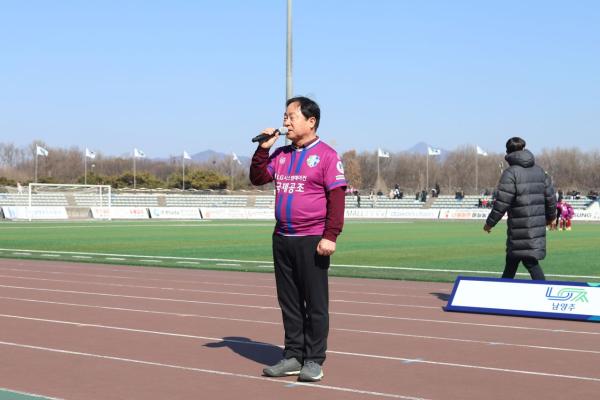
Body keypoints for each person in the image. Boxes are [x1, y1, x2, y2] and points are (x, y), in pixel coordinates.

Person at [249, 96, 346, 382]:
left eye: (291, 116)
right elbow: (257, 178)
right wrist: (262, 150)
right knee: (289, 301)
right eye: (285, 116)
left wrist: (330, 236)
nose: (285, 122)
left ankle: (314, 359)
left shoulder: (327, 155)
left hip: (312, 239)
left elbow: (337, 198)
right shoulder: (281, 155)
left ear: (311, 121)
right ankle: (293, 355)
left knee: (315, 303)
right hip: (282, 237)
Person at [483, 137, 556, 280]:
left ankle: (544, 293)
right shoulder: (540, 172)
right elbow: (551, 198)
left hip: (519, 227)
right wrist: (551, 217)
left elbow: (502, 202)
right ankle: (502, 293)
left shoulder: (510, 173)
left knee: (528, 262)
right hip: (535, 226)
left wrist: (489, 223)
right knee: (513, 261)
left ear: (508, 152)